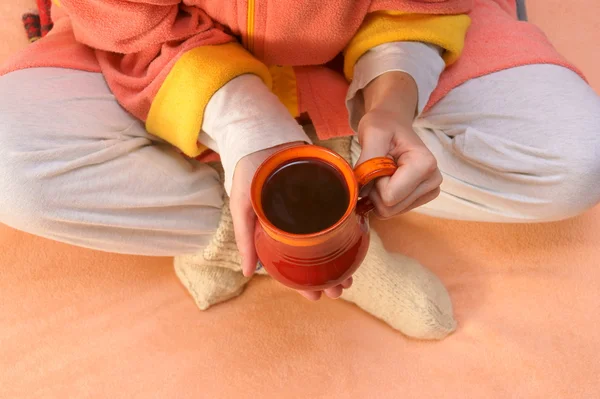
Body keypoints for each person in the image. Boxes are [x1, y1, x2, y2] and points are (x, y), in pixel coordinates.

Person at [1, 0, 599, 339]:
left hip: (389, 27)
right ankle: (297, 222)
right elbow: (126, 19)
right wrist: (243, 127)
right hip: (155, 45)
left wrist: (392, 100)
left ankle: (300, 212)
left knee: (577, 157)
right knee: (11, 165)